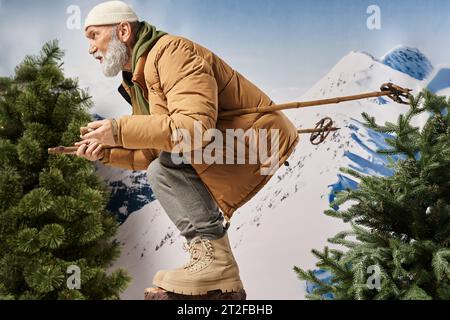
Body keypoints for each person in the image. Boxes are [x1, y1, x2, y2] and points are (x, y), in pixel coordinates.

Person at [76, 0, 299, 296]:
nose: (91, 48)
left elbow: (193, 128)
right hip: (229, 144)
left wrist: (118, 130)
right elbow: (157, 148)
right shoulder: (138, 76)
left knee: (166, 166)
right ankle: (210, 259)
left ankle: (216, 262)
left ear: (124, 31)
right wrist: (106, 151)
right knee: (160, 168)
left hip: (258, 144)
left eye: (94, 35)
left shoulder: (171, 53)